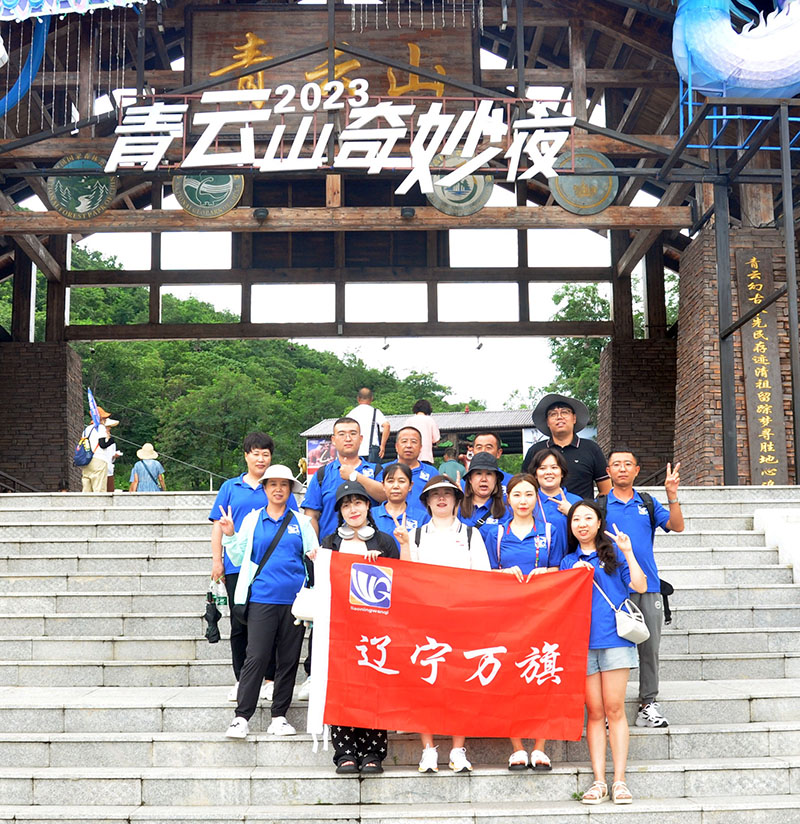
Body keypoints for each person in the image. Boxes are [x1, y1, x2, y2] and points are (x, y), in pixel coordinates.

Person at [396, 475, 490, 775]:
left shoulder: (472, 534)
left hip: (463, 620)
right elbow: (407, 577)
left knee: (460, 685)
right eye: (434, 494)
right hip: (426, 622)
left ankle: (458, 749)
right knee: (426, 684)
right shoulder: (416, 535)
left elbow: (483, 579)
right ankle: (428, 750)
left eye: (447, 494)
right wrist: (404, 544)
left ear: (456, 500)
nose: (441, 499)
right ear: (426, 501)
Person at [308, 480, 399, 774]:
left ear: (368, 505)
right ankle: (345, 752)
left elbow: (401, 582)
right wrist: (316, 562)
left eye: (358, 502)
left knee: (373, 687)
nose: (353, 509)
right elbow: (322, 584)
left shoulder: (384, 542)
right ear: (340, 512)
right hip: (340, 630)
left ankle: (373, 752)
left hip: (376, 630)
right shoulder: (330, 543)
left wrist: (379, 565)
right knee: (341, 687)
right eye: (346, 505)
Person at [560, 501, 647, 806]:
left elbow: (640, 585)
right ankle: (599, 781)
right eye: (576, 519)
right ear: (570, 526)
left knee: (615, 709)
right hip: (582, 643)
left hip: (615, 641)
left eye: (588, 518)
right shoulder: (567, 561)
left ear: (599, 523)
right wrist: (573, 573)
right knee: (594, 712)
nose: (582, 524)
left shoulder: (613, 556)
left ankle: (619, 781)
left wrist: (628, 551)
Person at [221, 465, 318, 740]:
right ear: (264, 488)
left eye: (283, 484)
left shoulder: (301, 522)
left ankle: (279, 716)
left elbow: (313, 558)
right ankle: (241, 717)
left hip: (295, 603)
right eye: (272, 484)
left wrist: (316, 559)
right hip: (261, 598)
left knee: (288, 659)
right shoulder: (253, 520)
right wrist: (229, 535)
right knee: (256, 656)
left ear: (290, 490)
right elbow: (238, 557)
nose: (278, 489)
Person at [479, 473, 563, 772]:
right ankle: (516, 748)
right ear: (508, 499)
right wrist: (503, 574)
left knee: (543, 674)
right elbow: (484, 572)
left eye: (529, 494)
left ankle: (540, 747)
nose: (523, 501)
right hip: (506, 614)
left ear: (537, 498)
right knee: (509, 678)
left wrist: (546, 573)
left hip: (543, 614)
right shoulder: (495, 533)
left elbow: (561, 568)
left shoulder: (551, 531)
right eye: (517, 495)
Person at [209, 433, 298, 702]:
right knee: (239, 625)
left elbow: (295, 522)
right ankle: (242, 680)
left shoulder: (277, 486)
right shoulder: (230, 487)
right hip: (237, 566)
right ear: (246, 455)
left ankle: (270, 679)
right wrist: (217, 560)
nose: (261, 459)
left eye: (266, 454)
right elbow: (218, 526)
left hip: (271, 571)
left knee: (270, 626)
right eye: (256, 453)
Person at [600, 449, 684, 729]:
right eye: (616, 464)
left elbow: (677, 526)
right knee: (611, 648)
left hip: (648, 586)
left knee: (650, 648)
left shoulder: (647, 503)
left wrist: (672, 494)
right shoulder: (600, 505)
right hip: (612, 588)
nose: (622, 468)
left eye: (628, 464)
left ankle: (648, 703)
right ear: (608, 471)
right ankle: (611, 708)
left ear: (637, 470)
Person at [303, 417, 386, 540]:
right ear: (333, 440)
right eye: (342, 434)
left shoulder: (376, 470)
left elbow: (385, 495)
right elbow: (311, 516)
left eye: (353, 433)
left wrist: (354, 476)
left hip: (370, 546)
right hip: (331, 546)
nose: (348, 438)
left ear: (361, 439)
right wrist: (314, 546)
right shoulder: (322, 474)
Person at [521, 394, 611, 500]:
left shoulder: (591, 448)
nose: (559, 417)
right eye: (553, 414)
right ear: (547, 422)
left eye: (565, 412)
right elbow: (524, 487)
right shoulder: (535, 451)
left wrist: (592, 508)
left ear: (574, 418)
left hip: (581, 509)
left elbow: (606, 490)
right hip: (544, 510)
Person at [530, 448, 582, 551]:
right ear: (535, 474)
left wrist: (571, 512)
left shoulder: (577, 501)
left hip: (570, 559)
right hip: (537, 559)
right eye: (542, 468)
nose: (549, 472)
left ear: (562, 472)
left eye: (554, 467)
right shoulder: (528, 501)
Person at [371, 462, 429, 552]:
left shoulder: (423, 517)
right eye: (390, 481)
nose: (396, 486)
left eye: (401, 481)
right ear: (383, 485)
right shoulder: (371, 514)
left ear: (410, 486)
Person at [458, 451, 509, 528]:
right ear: (470, 479)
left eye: (489, 474)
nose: (484, 479)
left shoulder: (507, 512)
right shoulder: (457, 509)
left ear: (496, 479)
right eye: (478, 474)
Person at [393, 424, 435, 507]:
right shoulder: (384, 470)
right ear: (396, 447)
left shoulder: (431, 472)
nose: (409, 445)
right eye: (404, 441)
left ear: (420, 447)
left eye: (414, 442)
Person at [347, 387, 390, 462]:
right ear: (371, 399)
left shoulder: (351, 414)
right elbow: (387, 426)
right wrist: (382, 446)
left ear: (358, 399)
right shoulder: (375, 412)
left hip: (356, 449)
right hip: (372, 449)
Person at [80, 406, 114, 493]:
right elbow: (102, 445)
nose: (105, 420)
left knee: (87, 489)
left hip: (86, 461)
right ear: (100, 418)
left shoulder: (86, 429)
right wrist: (111, 440)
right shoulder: (101, 428)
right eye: (104, 418)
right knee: (99, 488)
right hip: (99, 460)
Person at [406, 399, 440, 464]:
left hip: (411, 455)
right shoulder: (430, 420)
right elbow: (436, 439)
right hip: (426, 456)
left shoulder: (409, 420)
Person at [97, 417, 122, 492]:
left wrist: (114, 456)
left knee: (110, 489)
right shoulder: (98, 439)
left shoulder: (111, 442)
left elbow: (111, 457)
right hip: (100, 468)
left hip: (109, 469)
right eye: (108, 427)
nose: (109, 429)